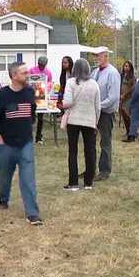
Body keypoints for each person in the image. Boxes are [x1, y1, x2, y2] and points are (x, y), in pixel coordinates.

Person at [0, 62, 42, 225]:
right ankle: (3, 199)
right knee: (4, 176)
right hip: (6, 144)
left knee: (28, 178)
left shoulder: (29, 92)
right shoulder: (2, 95)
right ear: (14, 76)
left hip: (25, 143)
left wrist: (28, 130)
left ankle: (32, 213)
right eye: (24, 73)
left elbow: (32, 112)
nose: (28, 75)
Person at [62, 59, 101, 191]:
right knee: (90, 151)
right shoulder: (94, 84)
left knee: (73, 151)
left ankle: (73, 183)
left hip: (73, 120)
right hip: (89, 120)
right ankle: (88, 182)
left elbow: (67, 102)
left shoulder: (71, 82)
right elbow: (98, 106)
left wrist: (63, 105)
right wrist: (96, 121)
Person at [90, 50, 121, 181]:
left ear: (106, 56)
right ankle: (90, 169)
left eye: (98, 56)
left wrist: (99, 106)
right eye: (95, 56)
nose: (96, 58)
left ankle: (104, 171)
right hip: (94, 111)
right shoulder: (96, 71)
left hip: (105, 113)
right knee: (90, 141)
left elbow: (113, 97)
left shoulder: (112, 73)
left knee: (105, 142)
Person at [29, 56, 53, 144]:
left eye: (43, 65)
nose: (41, 66)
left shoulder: (48, 72)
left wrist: (47, 87)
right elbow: (27, 81)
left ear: (45, 64)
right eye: (40, 65)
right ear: (38, 63)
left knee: (41, 118)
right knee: (30, 117)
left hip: (42, 97)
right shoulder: (31, 70)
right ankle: (29, 136)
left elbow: (50, 82)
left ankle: (38, 137)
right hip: (32, 96)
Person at [119, 61, 136, 136]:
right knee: (124, 116)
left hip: (128, 98)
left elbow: (133, 88)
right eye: (125, 66)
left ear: (130, 68)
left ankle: (132, 132)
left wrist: (125, 94)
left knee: (128, 116)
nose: (126, 67)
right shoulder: (121, 75)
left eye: (128, 66)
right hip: (121, 98)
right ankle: (127, 131)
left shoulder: (132, 77)